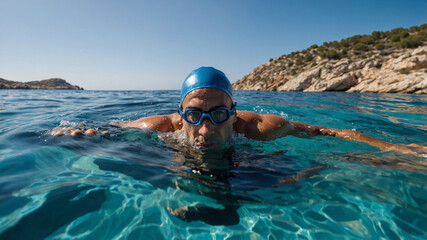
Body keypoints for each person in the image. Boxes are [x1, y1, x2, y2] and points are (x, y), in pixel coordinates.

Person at [52, 66, 426, 155]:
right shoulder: (159, 126)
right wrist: (80, 132)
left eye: (216, 115)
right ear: (180, 115)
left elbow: (324, 132)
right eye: (194, 116)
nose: (204, 129)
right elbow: (112, 126)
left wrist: (392, 148)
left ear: (233, 114)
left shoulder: (262, 127)